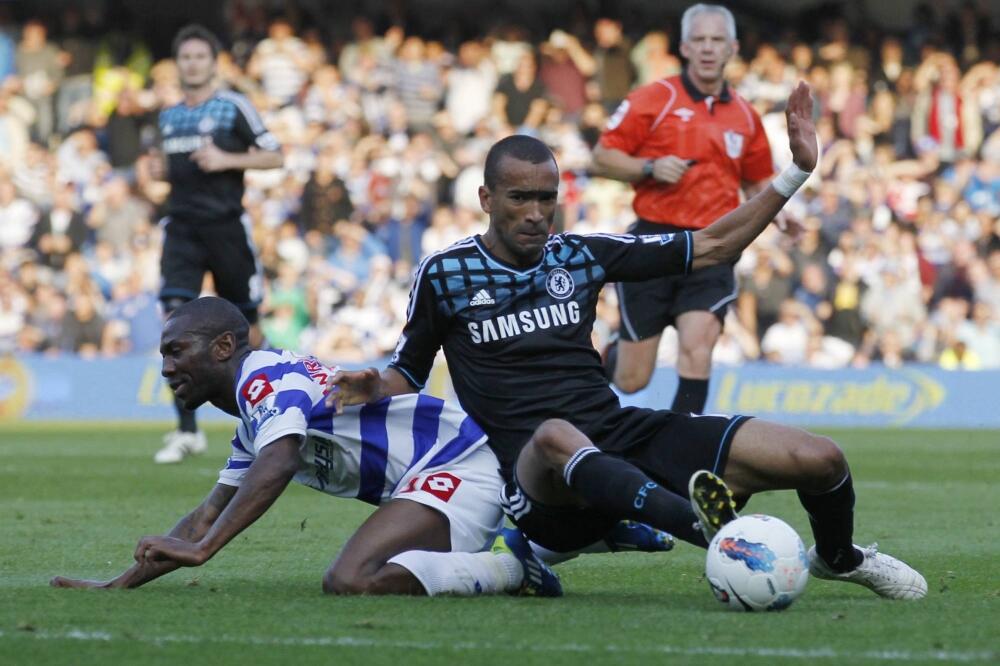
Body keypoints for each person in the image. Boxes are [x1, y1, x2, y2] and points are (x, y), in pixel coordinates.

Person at [328, 84, 927, 600]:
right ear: (487, 200)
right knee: (556, 434)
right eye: (520, 198)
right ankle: (714, 533)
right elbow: (407, 368)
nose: (537, 214)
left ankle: (841, 557)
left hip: (618, 437)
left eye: (546, 198)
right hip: (537, 481)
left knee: (817, 458)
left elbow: (712, 246)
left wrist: (795, 172)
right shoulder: (445, 273)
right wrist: (373, 384)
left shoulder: (581, 255)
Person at [50, 297, 561, 598]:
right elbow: (205, 516)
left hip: (455, 462)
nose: (166, 369)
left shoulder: (269, 383)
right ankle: (549, 543)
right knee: (354, 578)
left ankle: (513, 566)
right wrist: (116, 586)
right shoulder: (257, 418)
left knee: (350, 580)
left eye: (177, 351)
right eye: (163, 355)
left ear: (224, 347)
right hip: (428, 478)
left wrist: (204, 551)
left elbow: (278, 462)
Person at [591, 4, 780, 413]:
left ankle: (679, 449)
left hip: (714, 244)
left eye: (716, 41)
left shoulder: (747, 116)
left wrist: (779, 206)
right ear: (684, 48)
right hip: (652, 243)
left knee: (699, 348)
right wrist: (648, 166)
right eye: (699, 40)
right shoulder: (654, 99)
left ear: (732, 49)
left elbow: (757, 178)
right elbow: (601, 156)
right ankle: (612, 352)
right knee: (632, 379)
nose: (708, 49)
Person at [151, 25, 283, 464]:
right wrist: (154, 172)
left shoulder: (232, 108)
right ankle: (187, 431)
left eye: (199, 57)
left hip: (226, 227)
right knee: (174, 319)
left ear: (213, 62)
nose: (192, 64)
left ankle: (270, 418)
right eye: (185, 57)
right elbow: (164, 169)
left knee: (247, 327)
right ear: (178, 64)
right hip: (182, 229)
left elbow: (275, 153)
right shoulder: (168, 117)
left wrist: (227, 159)